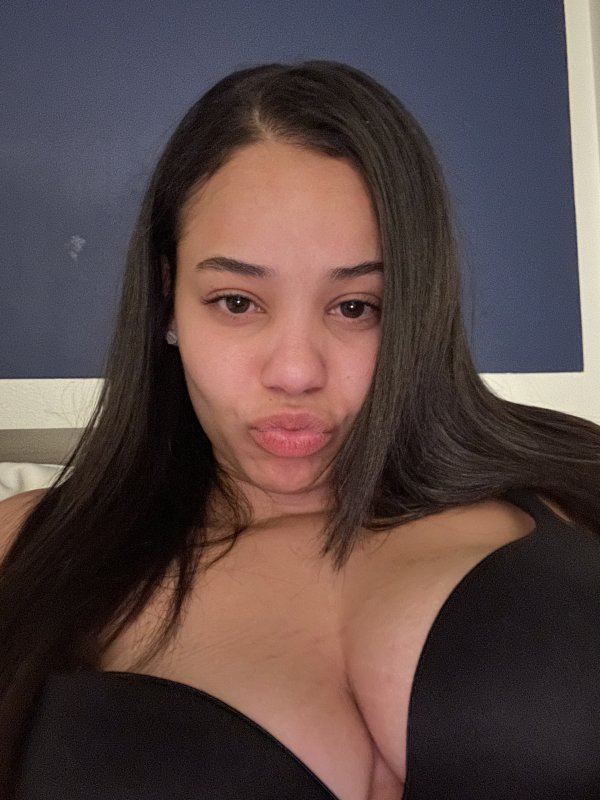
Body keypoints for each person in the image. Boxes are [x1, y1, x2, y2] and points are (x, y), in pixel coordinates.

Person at [1, 61, 599, 800]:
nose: (295, 372)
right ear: (167, 300)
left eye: (356, 307)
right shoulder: (27, 552)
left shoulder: (573, 484)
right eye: (237, 302)